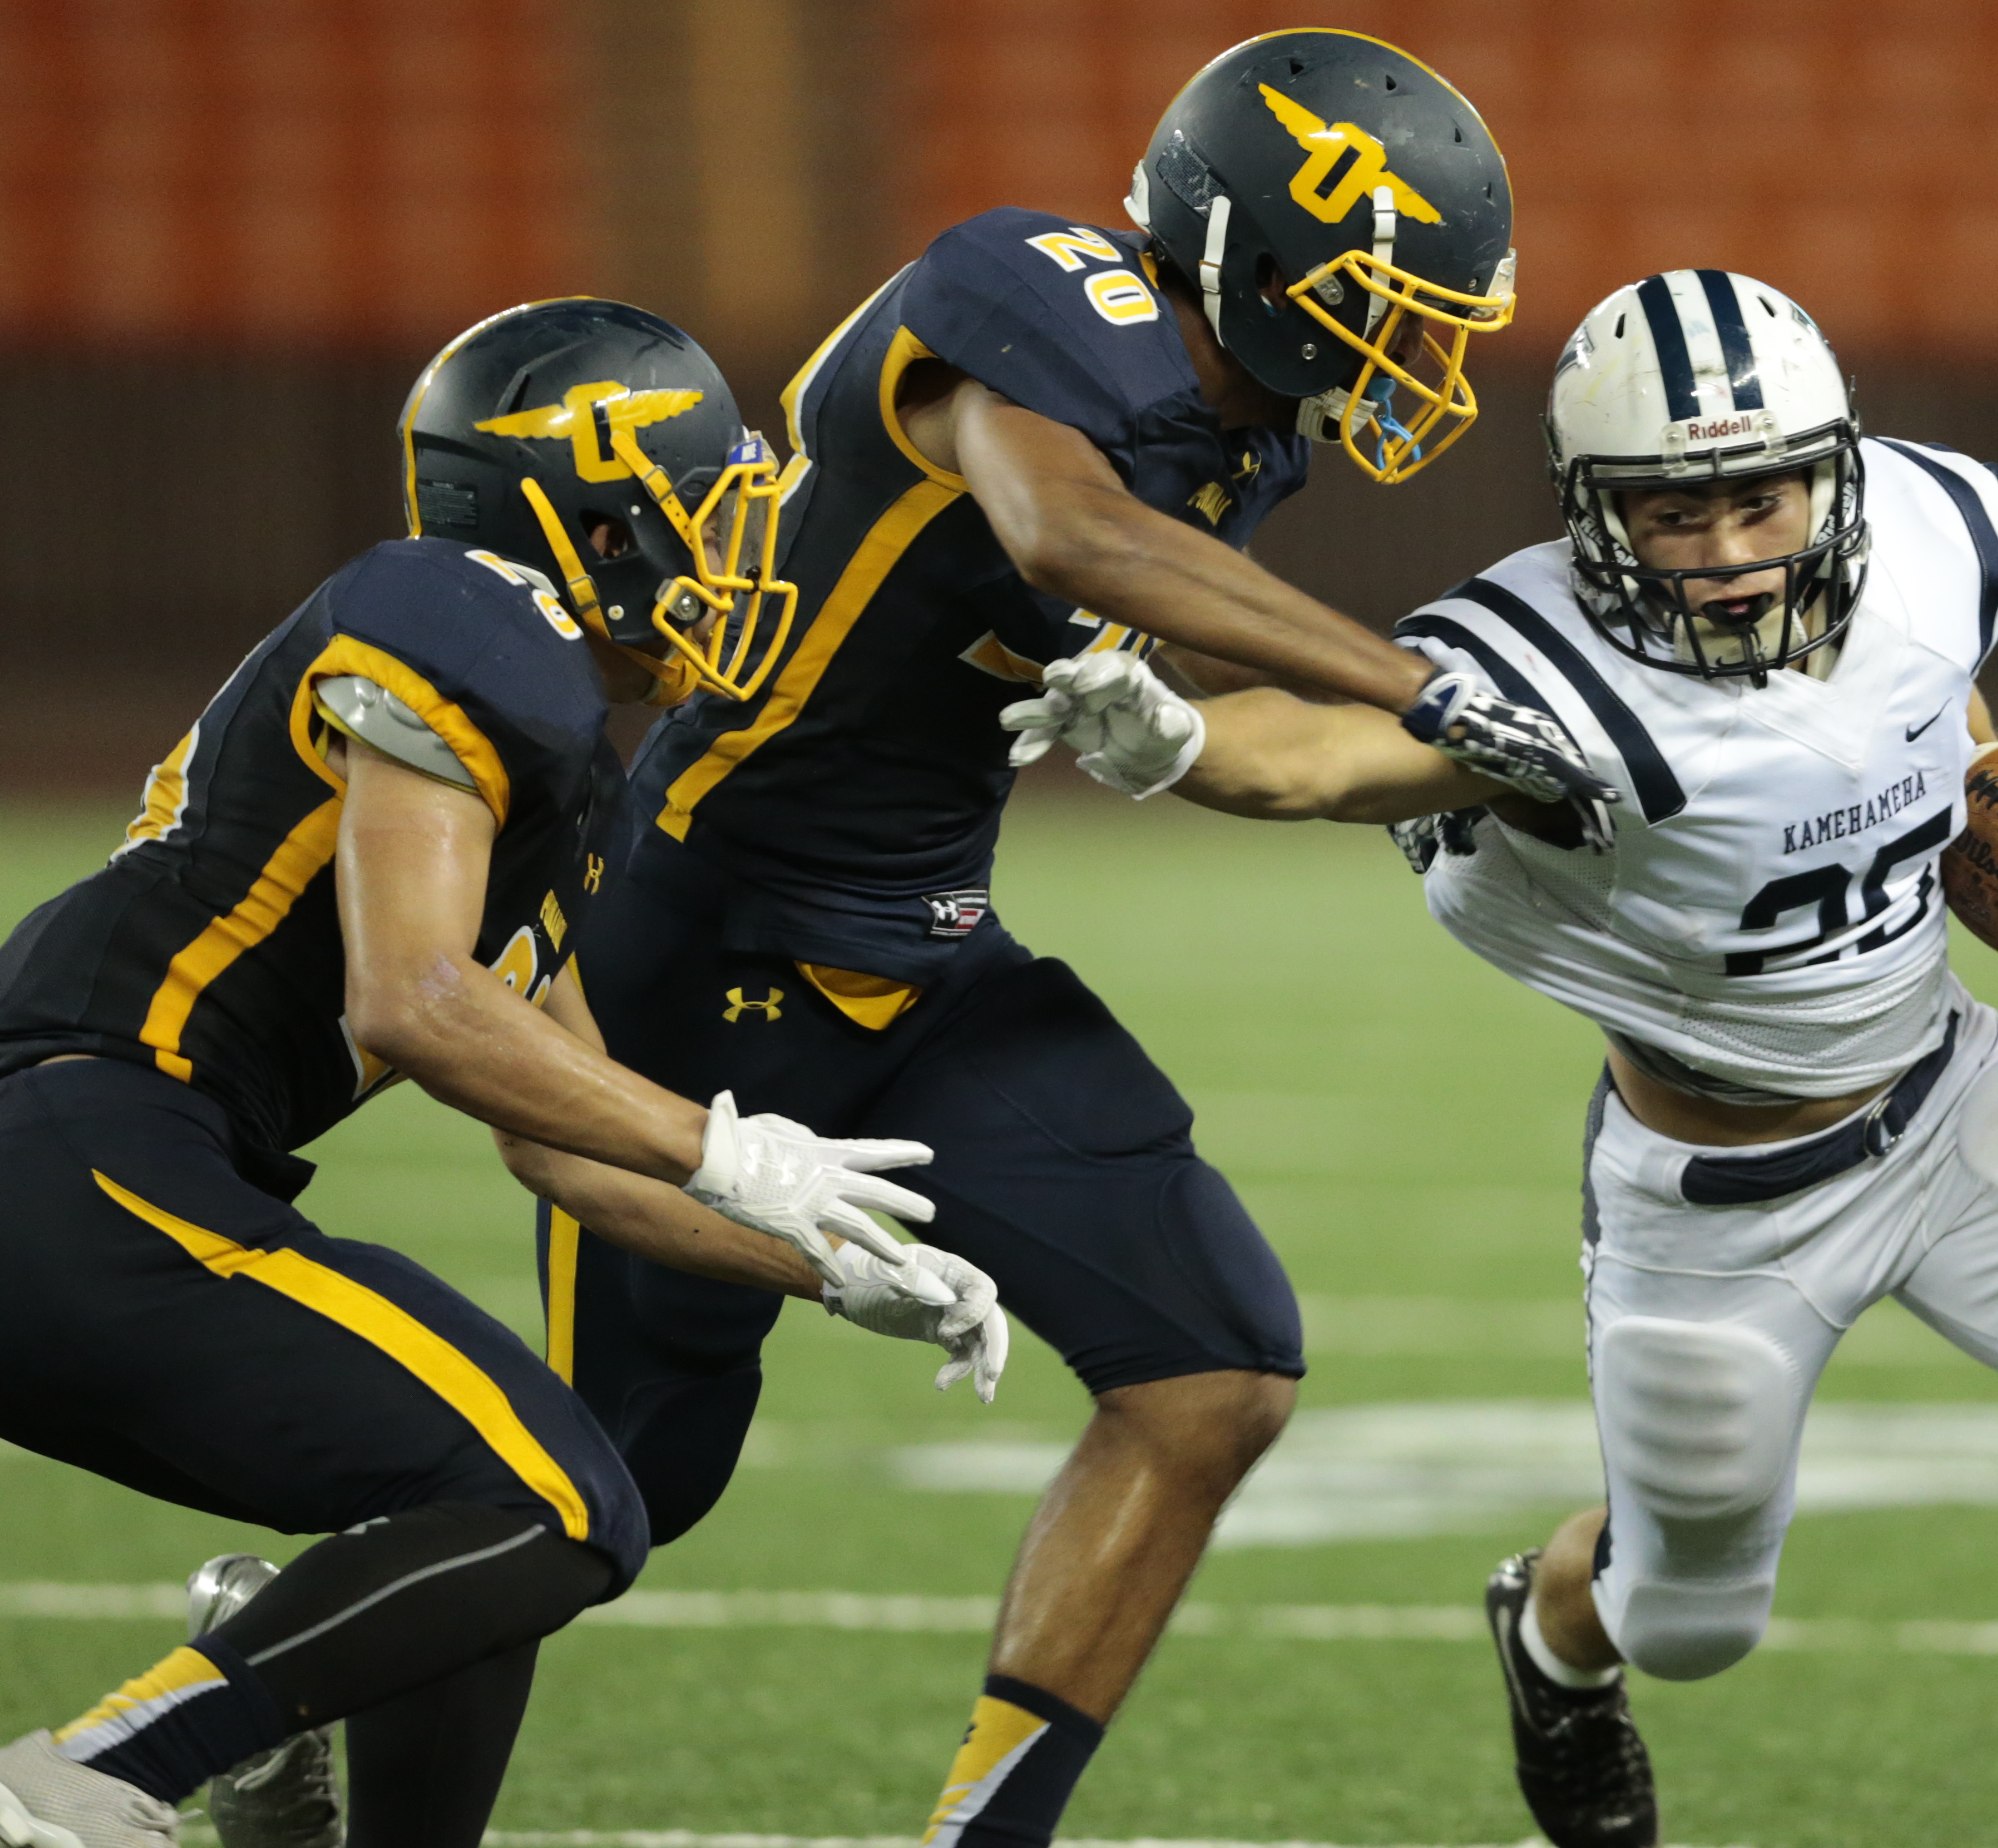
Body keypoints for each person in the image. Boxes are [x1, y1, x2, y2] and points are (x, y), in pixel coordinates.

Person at [1000, 270, 1998, 1848]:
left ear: (1835, 476)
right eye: (1673, 517)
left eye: (1761, 500)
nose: (1727, 556)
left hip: (1957, 1098)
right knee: (1687, 1614)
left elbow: (1932, 705)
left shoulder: (1940, 526)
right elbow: (1336, 748)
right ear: (1597, 520)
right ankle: (1552, 1633)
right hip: (1720, 1203)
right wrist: (1185, 742)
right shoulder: (1548, 666)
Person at [543, 29, 1612, 1848]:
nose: (1412, 357)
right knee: (601, 1497)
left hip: (928, 952)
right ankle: (241, 1677)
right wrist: (1410, 675)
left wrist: (1472, 757)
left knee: (1216, 1365)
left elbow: (1227, 708)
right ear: (1242, 260)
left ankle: (989, 1832)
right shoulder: (1031, 293)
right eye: (1383, 306)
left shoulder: (1241, 429)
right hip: (712, 952)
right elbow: (1071, 530)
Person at [0, 299, 1003, 1848]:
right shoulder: (458, 611)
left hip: (104, 1172)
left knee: (473, 1512)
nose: (730, 554)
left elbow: (566, 1140)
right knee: (556, 1496)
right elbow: (412, 999)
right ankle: (109, 1765)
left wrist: (826, 1256)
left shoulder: (561, 771)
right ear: (586, 512)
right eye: (705, 506)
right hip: (85, 1141)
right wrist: (731, 1148)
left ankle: (263, 1723)